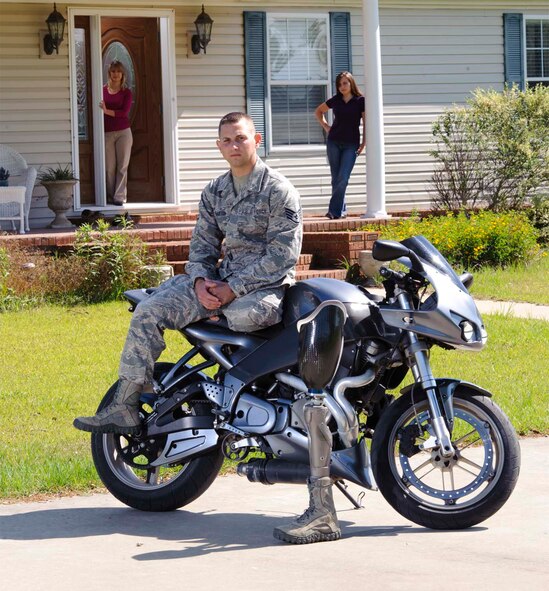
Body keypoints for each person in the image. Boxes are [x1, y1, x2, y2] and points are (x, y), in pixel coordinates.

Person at [73, 112, 303, 435]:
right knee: (148, 310)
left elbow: (283, 257)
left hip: (262, 289)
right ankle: (125, 404)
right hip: (219, 282)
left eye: (241, 138)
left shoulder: (278, 191)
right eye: (227, 140)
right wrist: (199, 284)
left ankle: (241, 397)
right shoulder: (215, 192)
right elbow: (201, 249)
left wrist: (232, 289)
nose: (234, 145)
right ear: (219, 146)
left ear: (256, 141)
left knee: (244, 316)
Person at [315, 71, 365, 219]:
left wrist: (364, 142)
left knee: (343, 177)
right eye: (339, 84)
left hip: (351, 143)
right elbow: (318, 112)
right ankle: (340, 210)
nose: (342, 87)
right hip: (334, 142)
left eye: (345, 83)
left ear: (351, 83)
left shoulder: (360, 100)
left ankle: (334, 212)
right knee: (336, 178)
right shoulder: (336, 100)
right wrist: (327, 127)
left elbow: (366, 122)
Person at [101, 60, 133, 206]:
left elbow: (124, 113)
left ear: (122, 74)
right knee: (109, 167)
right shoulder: (102, 90)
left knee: (122, 166)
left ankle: (119, 197)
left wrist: (107, 111)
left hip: (123, 133)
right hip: (107, 132)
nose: (116, 74)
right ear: (109, 73)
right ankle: (109, 196)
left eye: (118, 71)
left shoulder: (126, 92)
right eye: (113, 71)